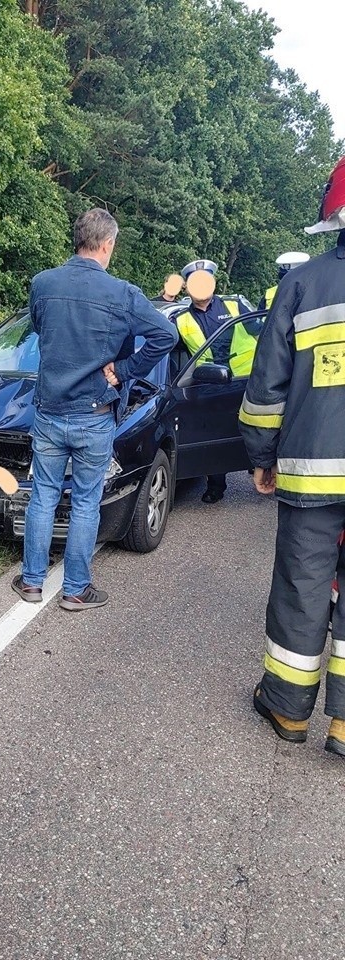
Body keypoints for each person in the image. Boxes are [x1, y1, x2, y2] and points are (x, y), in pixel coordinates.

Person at [12, 208, 178, 611]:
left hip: (49, 411)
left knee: (43, 496)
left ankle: (32, 582)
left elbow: (39, 328)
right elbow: (166, 335)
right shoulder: (122, 293)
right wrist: (124, 371)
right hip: (94, 414)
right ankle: (75, 590)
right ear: (108, 244)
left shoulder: (43, 284)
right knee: (86, 501)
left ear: (78, 239)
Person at [239, 155, 345, 756]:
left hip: (312, 471)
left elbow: (266, 388)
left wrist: (261, 454)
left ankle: (287, 711)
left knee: (303, 584)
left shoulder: (302, 285)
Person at [174, 259, 252, 503]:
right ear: (187, 288)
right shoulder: (181, 320)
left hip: (245, 382)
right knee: (214, 434)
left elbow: (266, 333)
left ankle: (263, 471)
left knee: (256, 431)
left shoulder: (235, 305)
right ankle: (216, 486)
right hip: (210, 386)